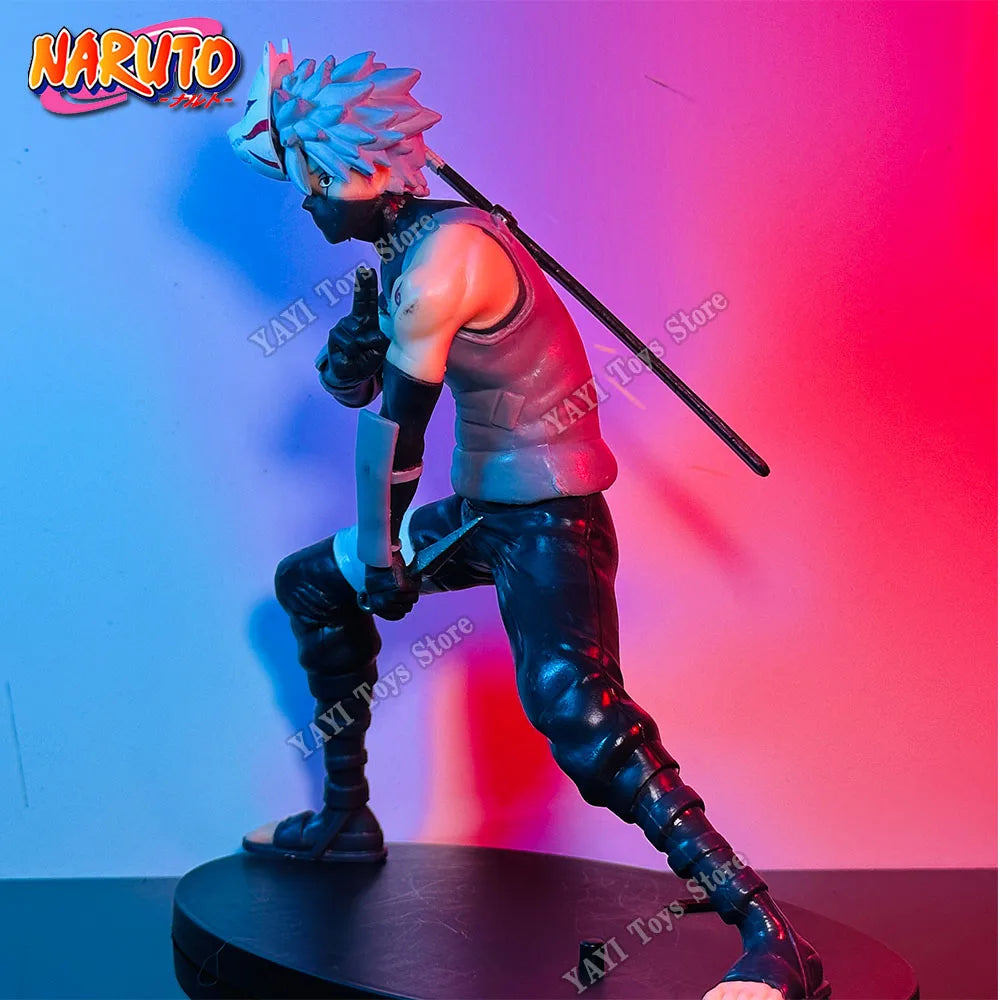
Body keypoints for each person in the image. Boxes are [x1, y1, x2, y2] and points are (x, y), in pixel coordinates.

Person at [226, 42, 828, 1000]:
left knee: (575, 711)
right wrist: (353, 345)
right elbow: (360, 389)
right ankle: (345, 817)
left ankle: (770, 932)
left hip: (550, 522)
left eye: (311, 184)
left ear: (360, 172)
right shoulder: (407, 250)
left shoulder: (444, 263)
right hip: (483, 515)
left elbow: (396, 432)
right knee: (308, 585)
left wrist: (382, 554)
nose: (306, 206)